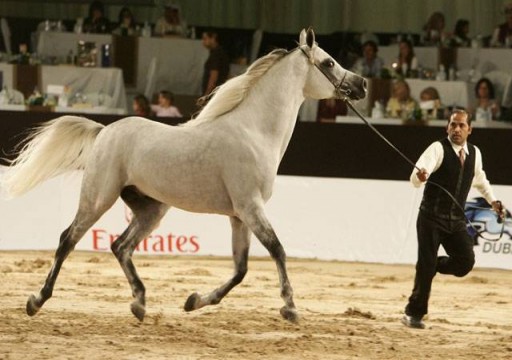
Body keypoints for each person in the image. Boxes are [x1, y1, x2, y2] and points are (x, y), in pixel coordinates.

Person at [402, 109, 505, 329]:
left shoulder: (475, 154)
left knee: (465, 262)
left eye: (461, 126)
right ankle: (414, 313)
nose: (456, 129)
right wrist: (421, 176)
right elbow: (416, 177)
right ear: (447, 127)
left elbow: (481, 181)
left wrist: (494, 202)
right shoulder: (437, 148)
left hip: (456, 219)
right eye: (453, 125)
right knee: (426, 265)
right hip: (431, 217)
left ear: (470, 129)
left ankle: (430, 265)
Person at [201, 30, 230, 97]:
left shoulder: (216, 54)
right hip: (218, 92)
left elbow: (213, 76)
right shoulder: (218, 53)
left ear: (213, 38)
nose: (203, 42)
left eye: (205, 39)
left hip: (214, 93)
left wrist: (207, 94)